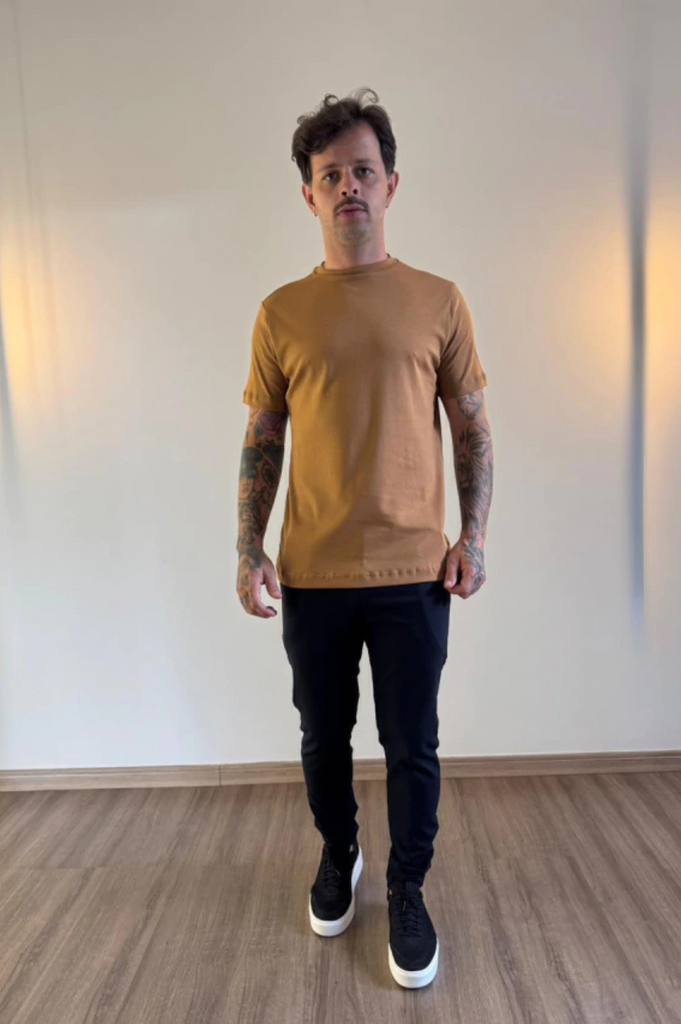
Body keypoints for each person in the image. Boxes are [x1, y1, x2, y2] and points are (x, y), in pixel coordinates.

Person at [237, 87, 493, 990]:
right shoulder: (279, 313)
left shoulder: (437, 301)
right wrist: (248, 547)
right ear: (308, 194)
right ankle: (338, 852)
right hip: (312, 573)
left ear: (391, 184)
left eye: (362, 170)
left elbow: (471, 427)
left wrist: (473, 538)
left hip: (413, 570)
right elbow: (262, 437)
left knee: (411, 743)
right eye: (330, 173)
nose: (348, 185)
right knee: (322, 737)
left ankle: (407, 886)